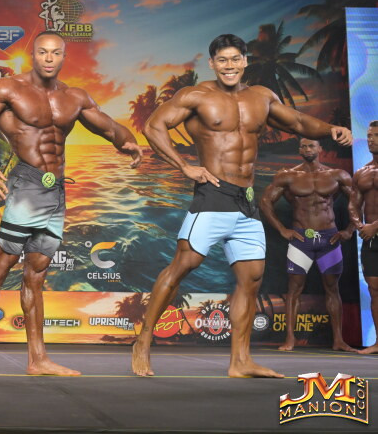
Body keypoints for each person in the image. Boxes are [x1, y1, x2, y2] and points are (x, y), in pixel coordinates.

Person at [132, 34, 352, 378]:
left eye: (235, 59)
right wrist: (184, 166)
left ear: (245, 61)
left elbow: (297, 122)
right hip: (213, 195)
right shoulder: (196, 95)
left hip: (246, 202)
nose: (229, 66)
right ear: (212, 64)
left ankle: (240, 361)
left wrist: (331, 129)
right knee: (183, 266)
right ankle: (143, 341)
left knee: (251, 280)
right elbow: (153, 126)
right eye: (222, 60)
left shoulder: (261, 96)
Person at [0, 31, 142, 378]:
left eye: (55, 53)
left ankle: (37, 358)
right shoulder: (8, 89)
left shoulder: (75, 97)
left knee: (37, 272)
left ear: (63, 57)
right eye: (42, 52)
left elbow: (108, 127)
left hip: (56, 190)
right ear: (33, 54)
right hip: (26, 184)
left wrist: (128, 142)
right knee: (2, 265)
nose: (48, 58)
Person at [259, 138, 355, 352]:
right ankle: (290, 339)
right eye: (303, 146)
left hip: (329, 238)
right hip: (301, 239)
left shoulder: (337, 175)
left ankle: (338, 340)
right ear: (299, 150)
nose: (307, 149)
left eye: (311, 145)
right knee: (294, 289)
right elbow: (265, 202)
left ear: (320, 149)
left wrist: (349, 229)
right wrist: (282, 229)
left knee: (333, 288)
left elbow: (357, 201)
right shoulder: (288, 175)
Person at [350, 120, 378, 354]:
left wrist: (375, 226)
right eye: (369, 136)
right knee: (374, 288)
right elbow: (353, 204)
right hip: (370, 239)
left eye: (376, 136)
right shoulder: (362, 172)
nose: (371, 140)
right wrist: (360, 225)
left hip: (373, 231)